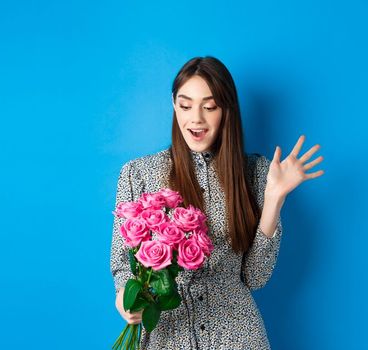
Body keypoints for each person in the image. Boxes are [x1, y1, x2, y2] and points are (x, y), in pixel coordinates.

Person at [109, 56, 324, 349]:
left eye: (209, 107)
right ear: (174, 105)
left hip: (237, 335)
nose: (196, 118)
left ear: (226, 110)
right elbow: (124, 264)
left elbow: (255, 277)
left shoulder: (256, 172)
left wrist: (274, 199)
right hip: (167, 336)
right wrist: (125, 297)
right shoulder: (138, 174)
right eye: (185, 105)